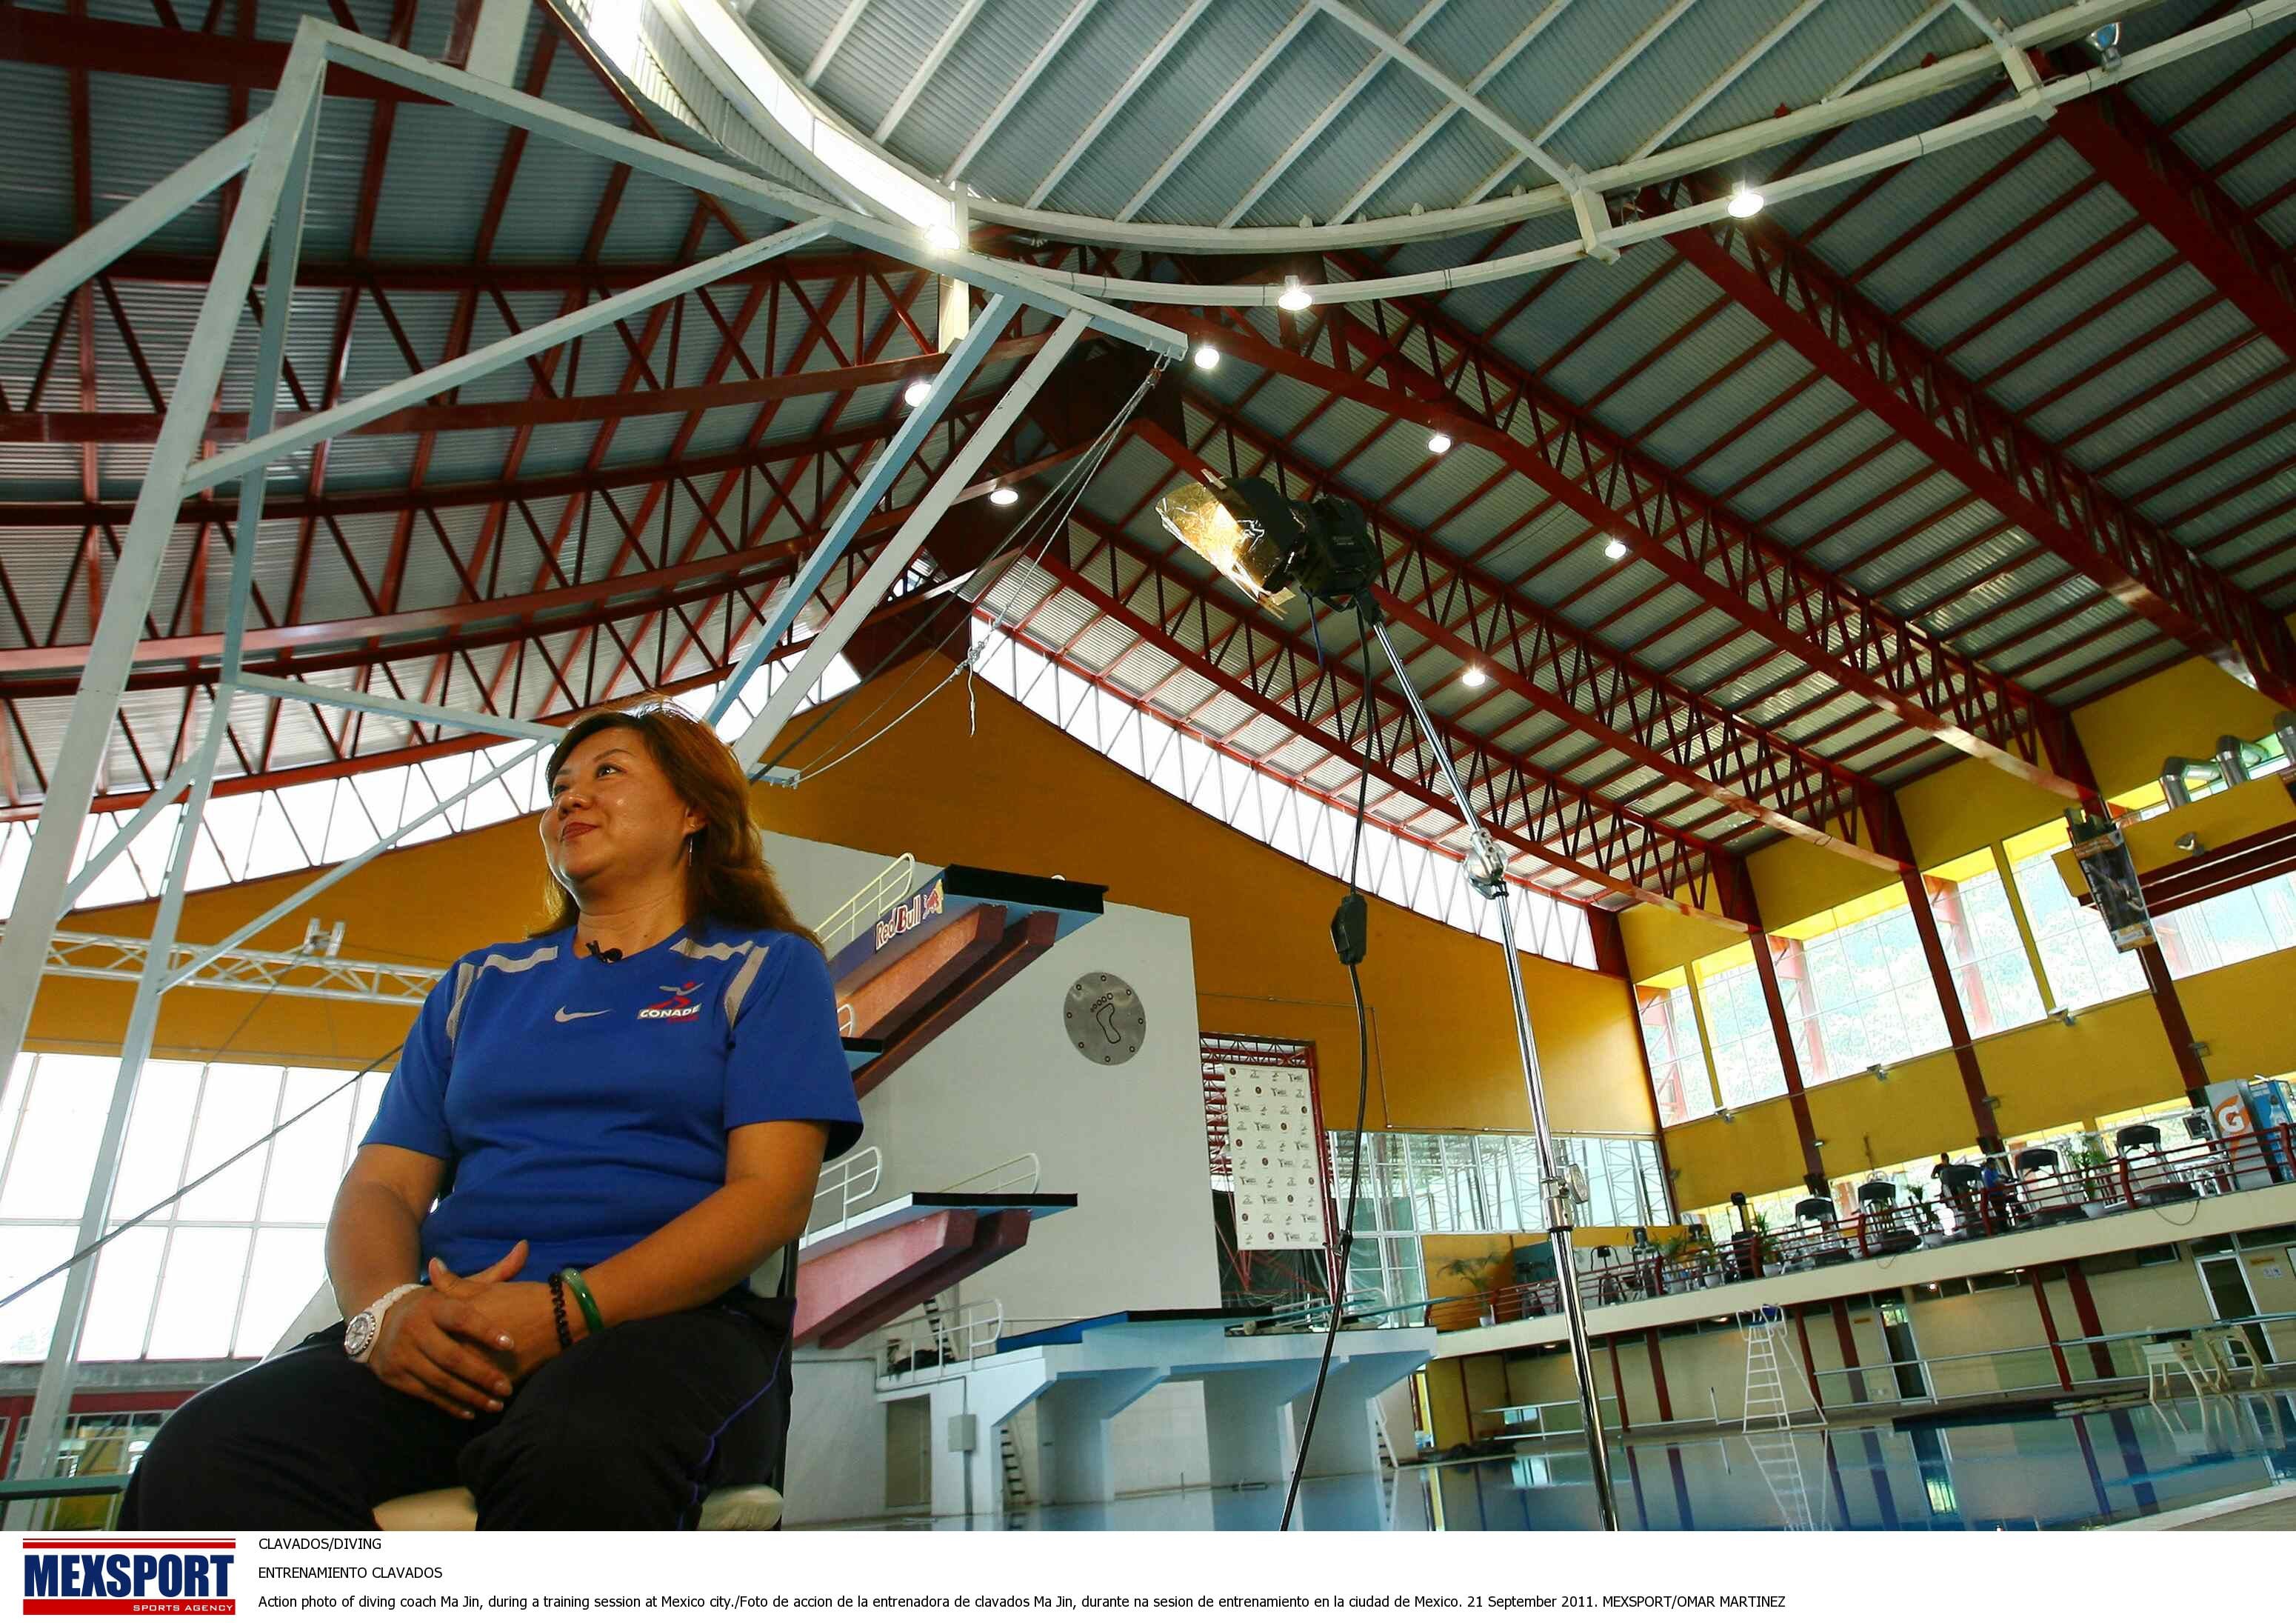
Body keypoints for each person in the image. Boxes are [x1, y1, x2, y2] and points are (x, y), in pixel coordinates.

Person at [122, 700, 862, 1530]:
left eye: (606, 773)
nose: (569, 798)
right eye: (559, 785)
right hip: (451, 1326)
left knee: (579, 1448)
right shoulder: (479, 984)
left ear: (694, 809)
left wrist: (568, 1309)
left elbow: (770, 1196)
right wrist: (384, 1314)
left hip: (667, 1329)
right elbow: (385, 1188)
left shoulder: (767, 966)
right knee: (204, 1452)